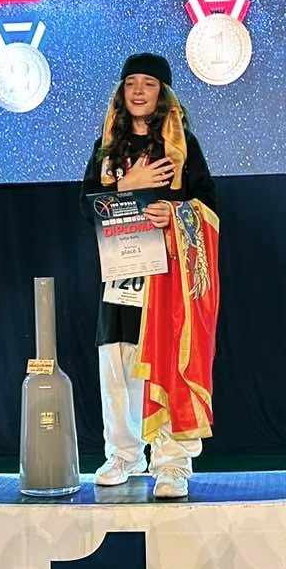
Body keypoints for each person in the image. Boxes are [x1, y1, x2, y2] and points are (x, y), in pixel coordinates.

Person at [80, 53, 220, 498]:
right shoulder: (107, 148)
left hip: (166, 280)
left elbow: (210, 205)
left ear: (163, 95)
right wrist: (126, 186)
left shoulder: (180, 147)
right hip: (121, 272)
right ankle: (123, 454)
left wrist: (173, 213)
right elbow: (86, 205)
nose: (138, 91)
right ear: (121, 92)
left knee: (163, 362)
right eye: (131, 83)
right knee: (117, 363)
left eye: (149, 83)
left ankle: (172, 463)